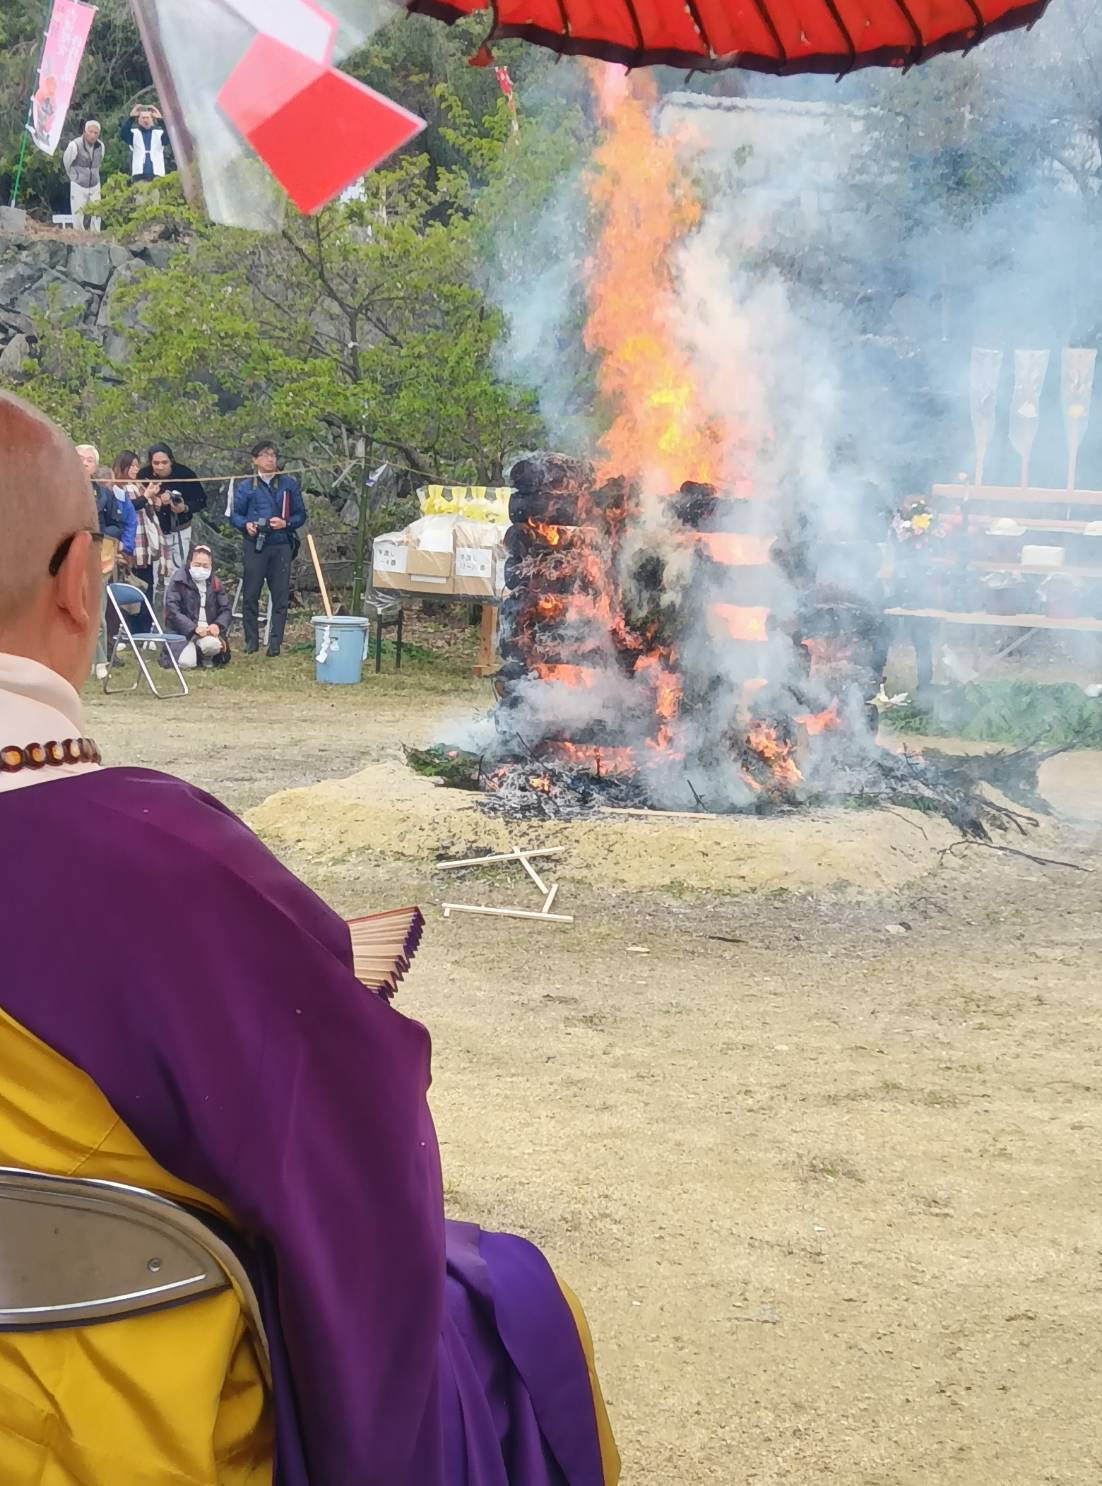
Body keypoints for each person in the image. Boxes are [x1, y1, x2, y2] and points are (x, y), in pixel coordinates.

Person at [0, 389, 618, 1486]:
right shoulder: (156, 860)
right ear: (80, 580)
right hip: (117, 1426)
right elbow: (354, 1160)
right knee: (516, 1302)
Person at [231, 440, 307, 657]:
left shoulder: (288, 484)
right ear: (255, 460)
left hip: (281, 543)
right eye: (265, 455)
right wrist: (246, 525)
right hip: (255, 544)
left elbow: (301, 514)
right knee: (251, 593)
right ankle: (251, 640)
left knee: (281, 594)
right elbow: (235, 515)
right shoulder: (246, 486)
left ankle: (275, 642)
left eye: (273, 455)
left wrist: (286, 523)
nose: (270, 459)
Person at [137, 442, 207, 576]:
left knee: (177, 571)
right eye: (156, 463)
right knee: (154, 571)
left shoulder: (185, 474)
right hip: (154, 531)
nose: (160, 467)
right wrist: (154, 499)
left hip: (180, 529)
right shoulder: (143, 475)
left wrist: (184, 508)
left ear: (171, 461)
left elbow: (201, 500)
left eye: (164, 462)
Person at [162, 544, 232, 669]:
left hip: (208, 631)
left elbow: (225, 609)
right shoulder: (178, 581)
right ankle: (192, 653)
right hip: (182, 632)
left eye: (205, 566)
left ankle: (204, 656)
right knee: (186, 663)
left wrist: (217, 625)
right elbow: (173, 611)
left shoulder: (216, 583)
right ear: (190, 563)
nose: (201, 569)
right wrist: (193, 628)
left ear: (211, 566)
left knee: (213, 646)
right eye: (197, 564)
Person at [111, 450, 160, 602]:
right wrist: (145, 497)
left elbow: (148, 508)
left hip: (145, 543)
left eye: (137, 466)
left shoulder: (138, 485)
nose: (135, 469)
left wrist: (153, 497)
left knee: (147, 585)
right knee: (131, 585)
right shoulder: (117, 486)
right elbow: (126, 509)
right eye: (131, 466)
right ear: (122, 466)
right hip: (131, 542)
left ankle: (147, 615)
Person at [62, 120, 104, 231]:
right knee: (78, 212)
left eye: (96, 133)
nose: (93, 135)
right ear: (85, 132)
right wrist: (74, 176)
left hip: (95, 184)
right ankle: (78, 234)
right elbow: (67, 162)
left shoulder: (101, 146)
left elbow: (99, 162)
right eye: (90, 132)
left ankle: (96, 233)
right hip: (78, 184)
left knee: (97, 212)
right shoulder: (74, 145)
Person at [118, 103, 172, 182]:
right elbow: (123, 134)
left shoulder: (159, 133)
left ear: (152, 119)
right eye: (143, 118)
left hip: (157, 174)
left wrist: (160, 120)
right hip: (139, 175)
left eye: (147, 117)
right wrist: (131, 118)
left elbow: (170, 136)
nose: (145, 120)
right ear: (139, 120)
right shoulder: (134, 133)